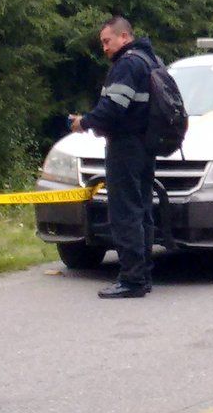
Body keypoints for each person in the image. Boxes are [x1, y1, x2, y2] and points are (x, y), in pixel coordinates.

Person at [69, 16, 161, 298]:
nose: (105, 48)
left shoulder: (128, 64)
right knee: (142, 208)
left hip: (126, 146)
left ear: (124, 37)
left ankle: (131, 279)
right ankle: (142, 275)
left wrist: (83, 123)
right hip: (146, 144)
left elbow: (113, 109)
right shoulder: (151, 60)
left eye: (107, 41)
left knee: (125, 211)